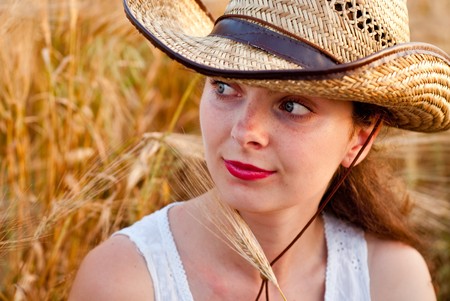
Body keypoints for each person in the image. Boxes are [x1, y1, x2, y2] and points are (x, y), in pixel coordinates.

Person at [68, 0, 450, 300]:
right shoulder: (125, 281)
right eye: (223, 87)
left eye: (292, 106)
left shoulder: (391, 281)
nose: (244, 131)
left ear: (359, 138)